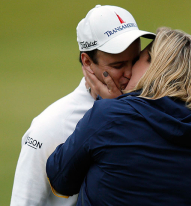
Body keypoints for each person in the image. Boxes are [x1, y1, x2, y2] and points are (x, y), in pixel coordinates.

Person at [46, 27, 191, 206]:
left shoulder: (108, 116)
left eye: (136, 60)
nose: (128, 71)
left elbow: (59, 178)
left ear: (154, 67)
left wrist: (110, 104)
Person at [10, 5, 155, 206]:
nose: (130, 74)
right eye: (117, 65)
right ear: (87, 62)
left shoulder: (153, 111)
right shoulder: (48, 127)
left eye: (136, 60)